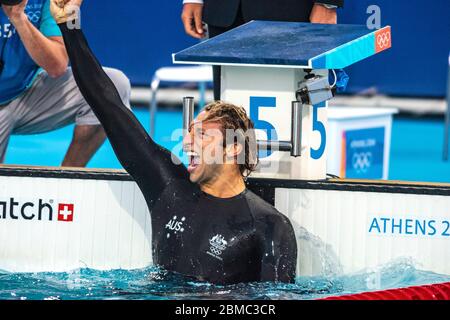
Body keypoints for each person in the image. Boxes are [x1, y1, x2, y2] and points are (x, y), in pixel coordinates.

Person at [50, 0, 297, 285]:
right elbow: (107, 105)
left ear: (234, 147)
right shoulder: (168, 186)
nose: (189, 141)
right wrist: (70, 24)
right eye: (190, 132)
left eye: (202, 134)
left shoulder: (268, 226)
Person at [0, 0, 131, 166]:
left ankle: (67, 182)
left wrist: (19, 19)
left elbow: (57, 65)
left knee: (112, 86)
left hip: (26, 91)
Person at [182, 0, 344, 100]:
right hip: (226, 14)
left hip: (294, 13)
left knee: (301, 114)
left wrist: (327, 2)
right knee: (228, 117)